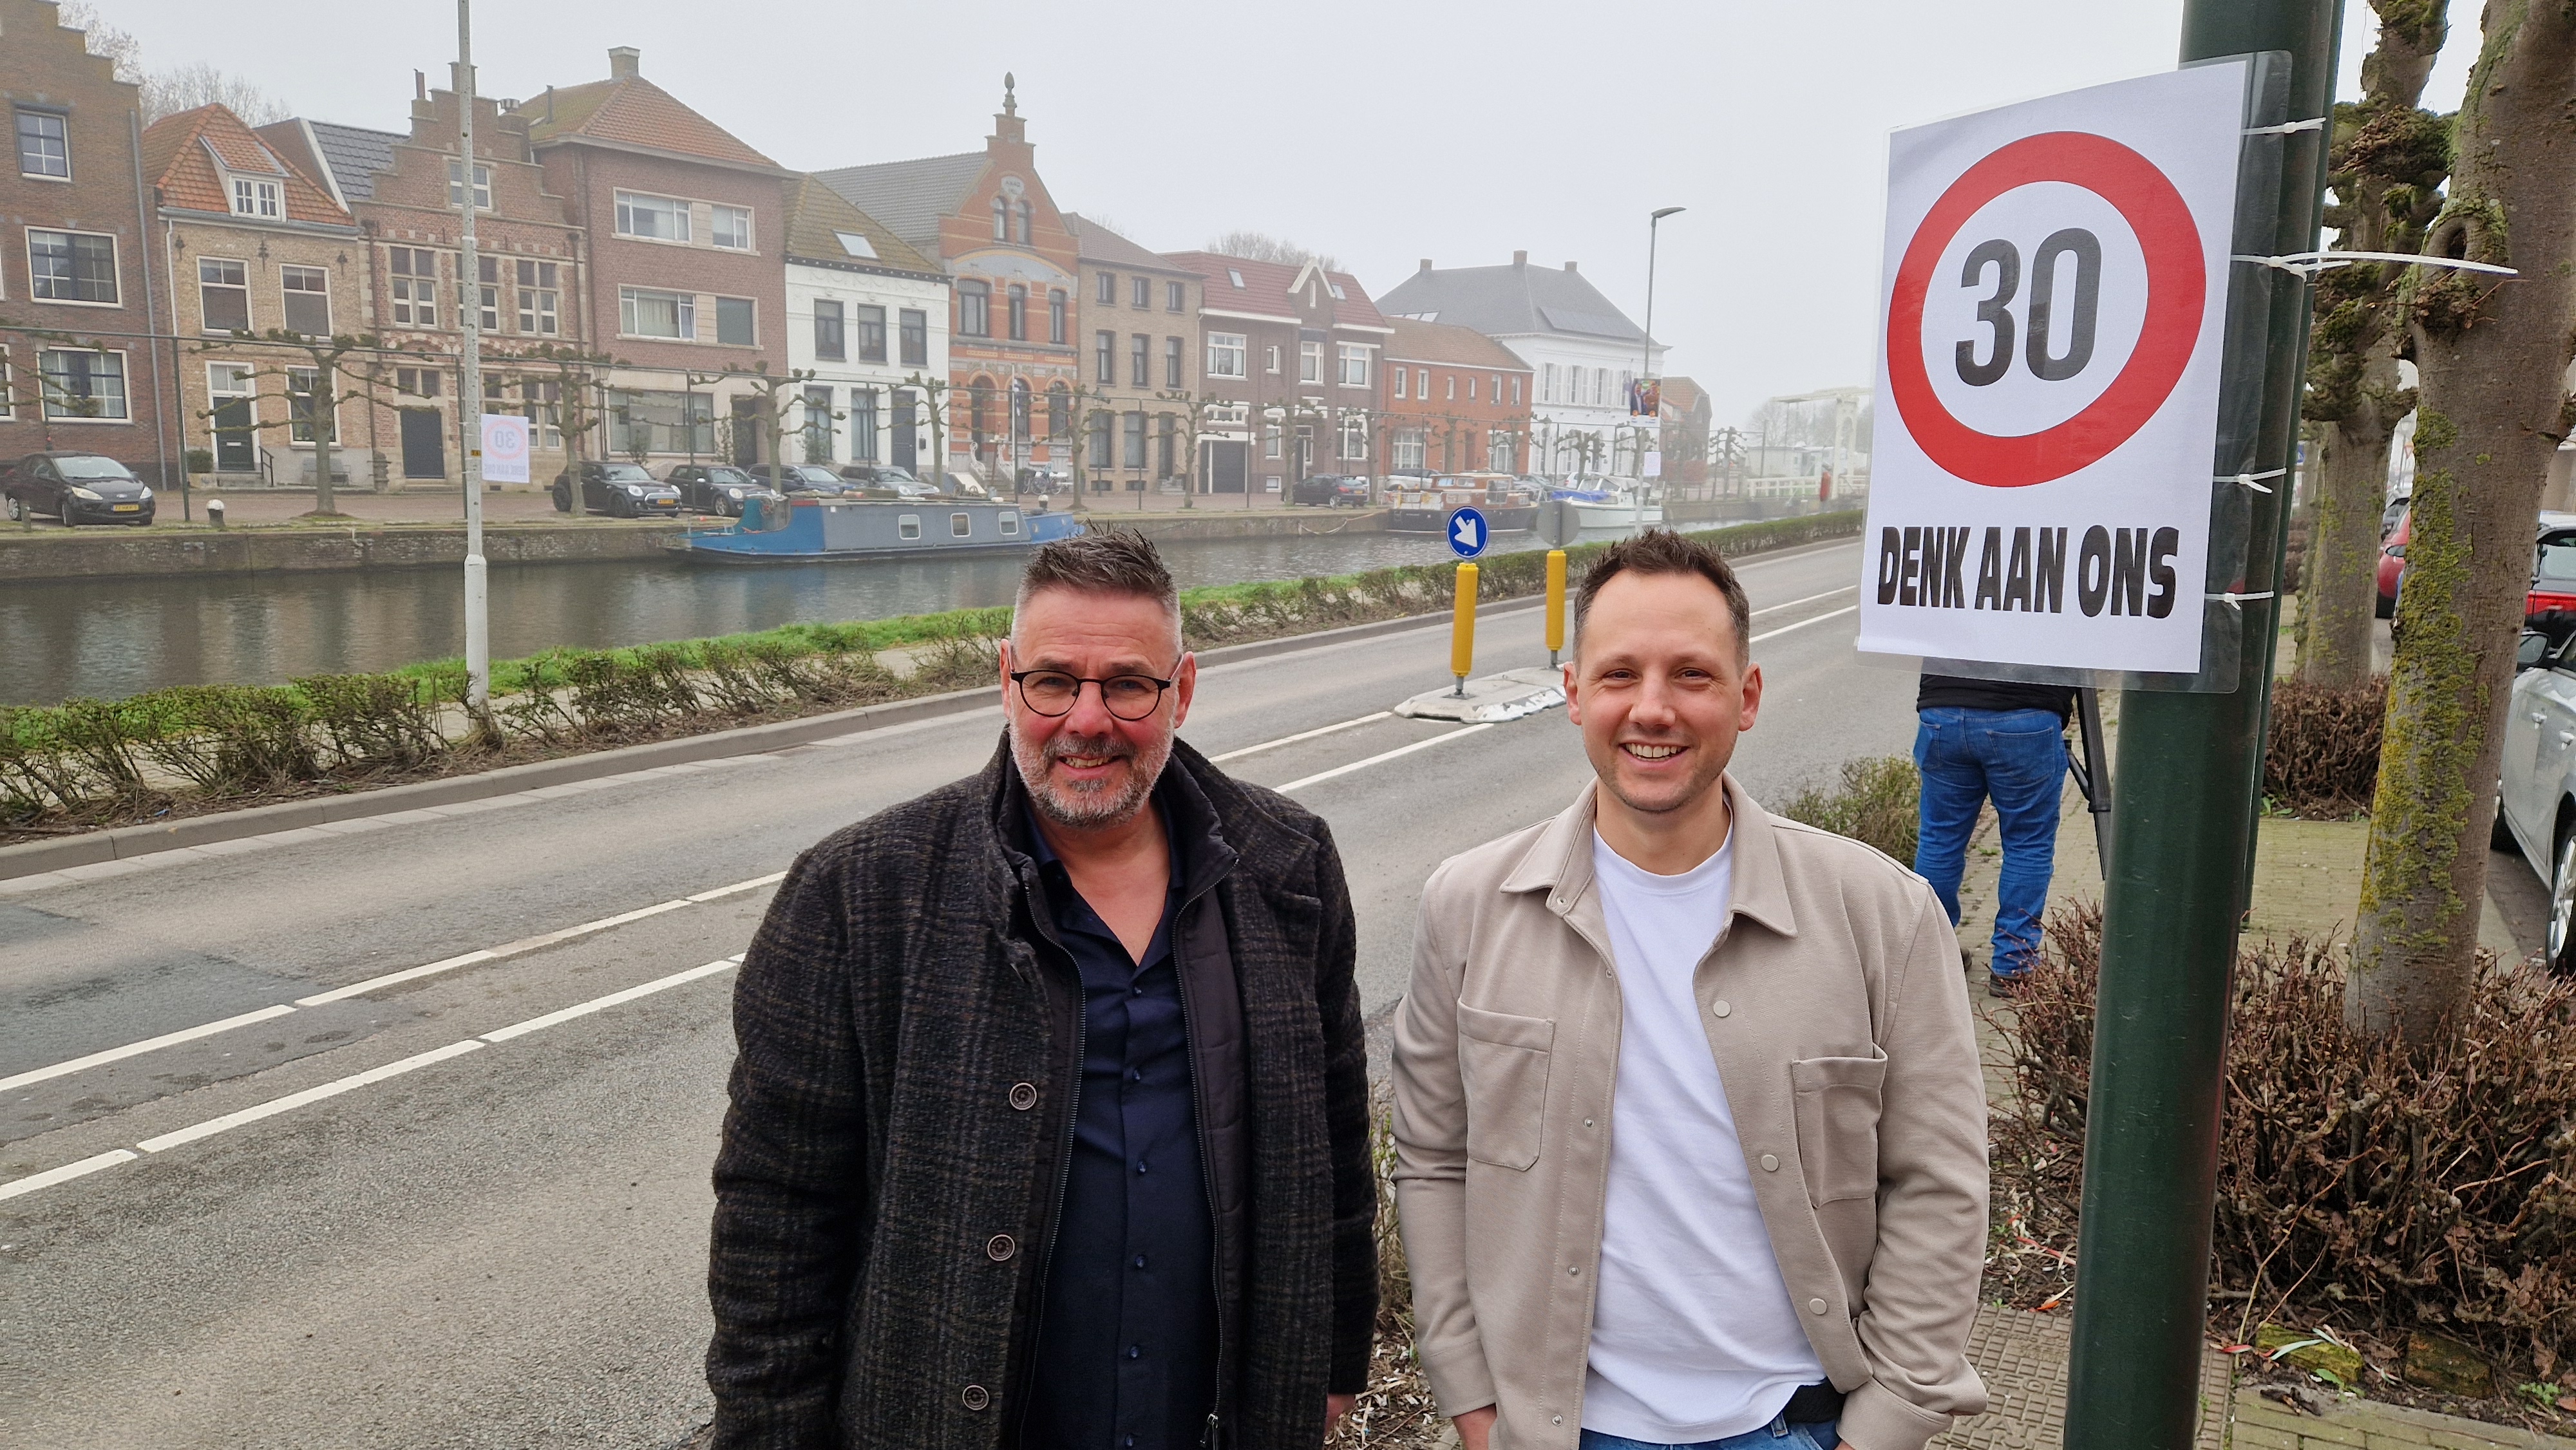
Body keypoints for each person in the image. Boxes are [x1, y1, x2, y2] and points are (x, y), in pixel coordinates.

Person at [706, 529, 1376, 1449]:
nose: (1087, 720)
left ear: (1182, 689)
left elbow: (1333, 1134)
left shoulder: (1287, 864)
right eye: (1054, 681)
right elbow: (774, 1211)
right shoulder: (858, 893)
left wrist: (1332, 1356)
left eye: (1128, 685)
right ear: (1006, 678)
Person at [1392, 529, 1989, 1450]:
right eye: (1619, 674)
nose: (1652, 708)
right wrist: (1469, 1396)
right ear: (1574, 692)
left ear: (1747, 696)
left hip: (1796, 1427)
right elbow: (1434, 1158)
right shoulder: (1468, 906)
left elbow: (1939, 1182)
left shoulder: (1883, 913)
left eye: (1692, 675)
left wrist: (1886, 1423)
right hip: (1549, 1430)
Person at [1909, 672, 2076, 995]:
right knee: (2028, 843)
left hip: (1943, 708)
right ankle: (2014, 963)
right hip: (2025, 713)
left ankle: (1931, 953)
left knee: (1940, 838)